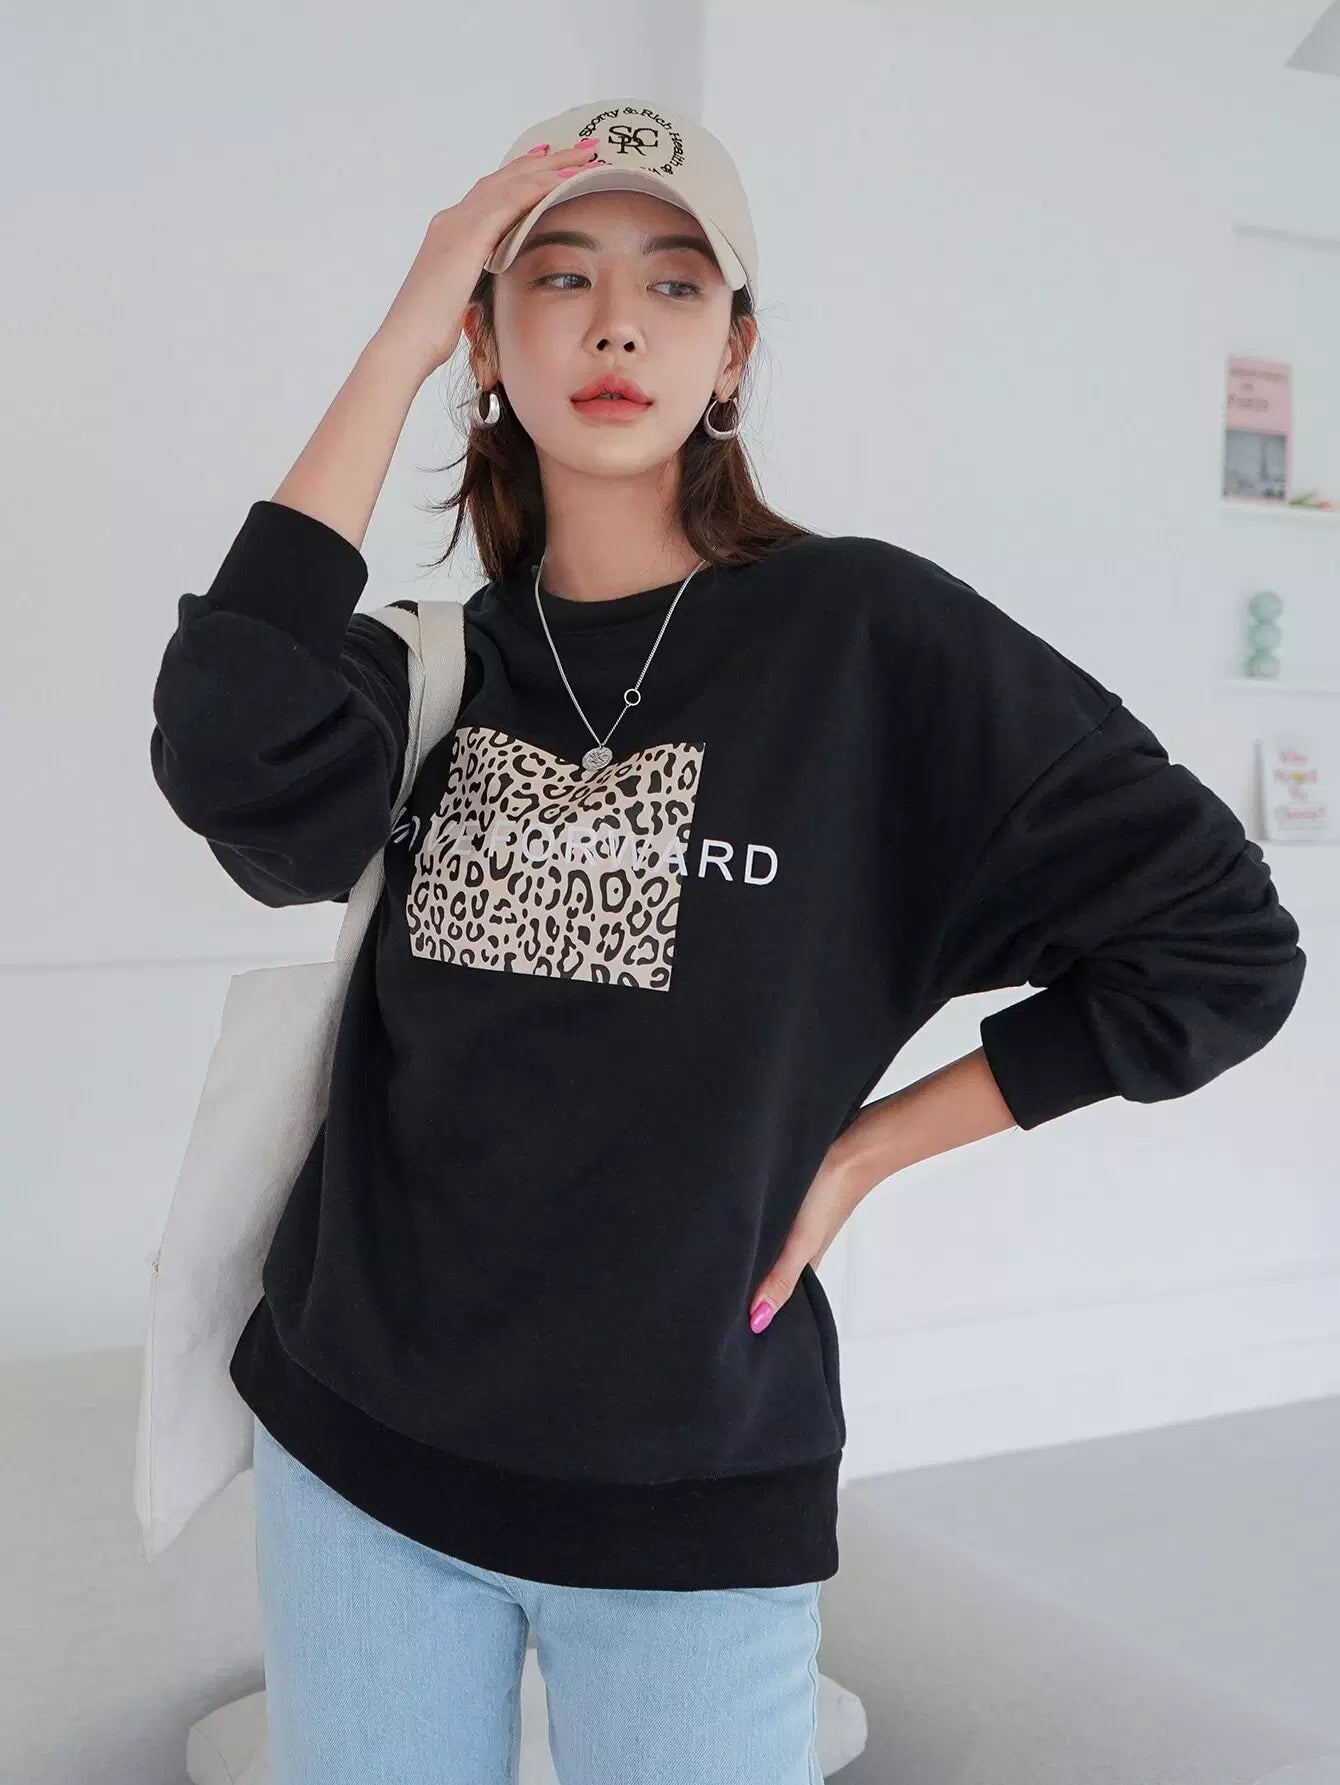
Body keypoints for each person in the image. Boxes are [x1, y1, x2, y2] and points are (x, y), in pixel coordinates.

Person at [147, 95, 1307, 1785]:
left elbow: (1223, 945)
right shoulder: (427, 671)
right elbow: (226, 746)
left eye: (676, 282)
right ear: (488, 337)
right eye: (556, 276)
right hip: (358, 1462)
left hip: (688, 1493)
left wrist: (871, 1148)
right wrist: (402, 329)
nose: (617, 323)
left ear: (735, 350)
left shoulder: (869, 645)